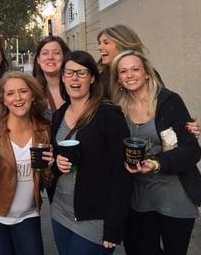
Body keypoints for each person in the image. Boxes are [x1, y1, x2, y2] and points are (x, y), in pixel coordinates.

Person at [110, 50, 201, 255]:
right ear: (118, 78)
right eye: (123, 71)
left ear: (146, 72)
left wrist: (156, 163)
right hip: (138, 198)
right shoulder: (116, 108)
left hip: (174, 196)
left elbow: (192, 151)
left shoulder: (169, 101)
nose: (130, 75)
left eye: (135, 69)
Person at [49, 50, 131, 255]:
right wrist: (56, 163)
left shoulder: (108, 116)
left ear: (93, 77)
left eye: (81, 73)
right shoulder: (59, 115)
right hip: (60, 211)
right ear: (62, 78)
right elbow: (55, 157)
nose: (74, 78)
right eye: (68, 73)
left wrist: (113, 228)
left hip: (94, 217)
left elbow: (123, 174)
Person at [0, 72, 54, 255]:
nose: (18, 98)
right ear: (3, 100)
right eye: (10, 93)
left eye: (23, 91)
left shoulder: (44, 130)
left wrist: (48, 169)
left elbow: (45, 183)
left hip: (27, 214)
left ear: (32, 95)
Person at [97, 24, 201, 138]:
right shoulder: (99, 79)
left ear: (122, 43)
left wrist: (185, 127)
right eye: (99, 43)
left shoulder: (150, 77)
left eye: (106, 43)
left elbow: (166, 112)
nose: (100, 47)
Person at [32, 35, 71, 112]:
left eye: (56, 53)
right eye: (45, 53)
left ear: (64, 57)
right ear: (38, 60)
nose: (50, 57)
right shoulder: (32, 92)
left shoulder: (76, 86)